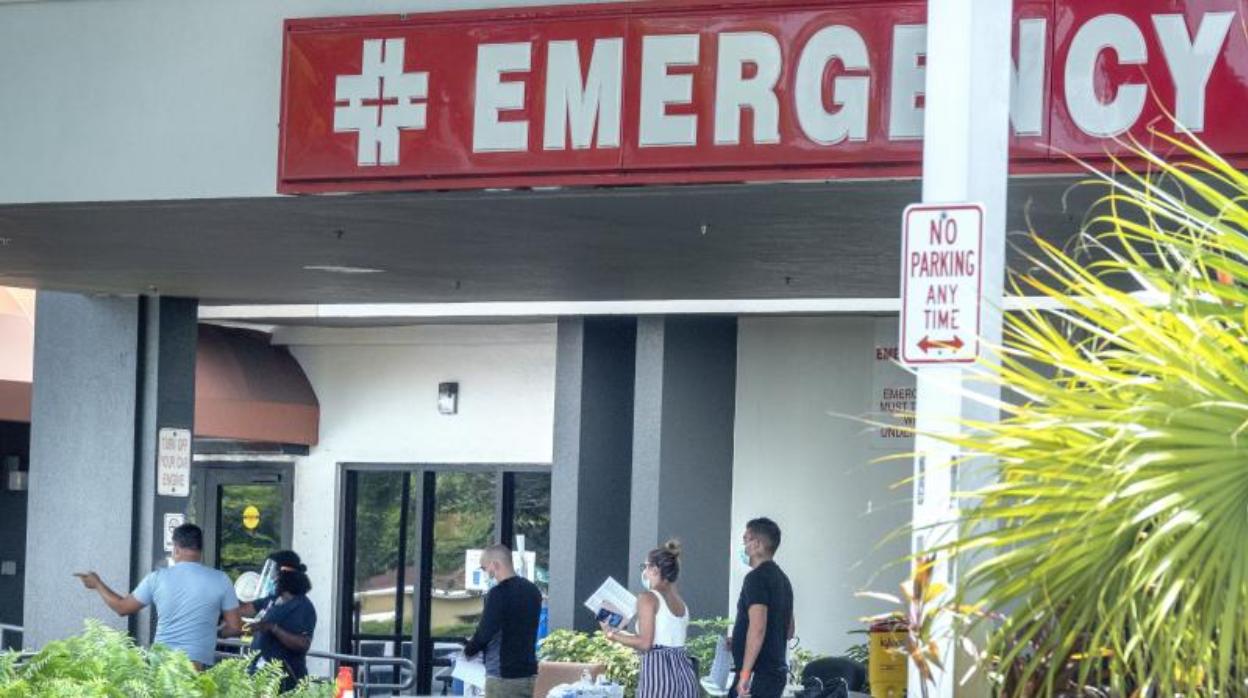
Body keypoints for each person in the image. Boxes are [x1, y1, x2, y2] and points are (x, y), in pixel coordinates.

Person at [75, 523, 242, 669]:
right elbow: (235, 627)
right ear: (199, 550)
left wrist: (97, 584)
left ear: (176, 549)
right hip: (198, 663)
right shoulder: (221, 580)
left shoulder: (157, 578)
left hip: (162, 663)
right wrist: (216, 632)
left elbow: (122, 608)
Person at [601, 540, 699, 698]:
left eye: (645, 566)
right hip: (685, 674)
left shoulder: (647, 598)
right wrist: (620, 634)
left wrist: (612, 635)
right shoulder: (680, 602)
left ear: (655, 569)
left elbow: (645, 644)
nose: (644, 572)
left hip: (659, 675)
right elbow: (660, 639)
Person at [464, 544, 543, 698]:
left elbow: (485, 633)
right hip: (528, 673)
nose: (485, 572)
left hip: (502, 675)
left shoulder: (497, 594)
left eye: (484, 568)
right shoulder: (533, 591)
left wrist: (468, 650)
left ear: (494, 565)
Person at [729, 518, 794, 698]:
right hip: (775, 672)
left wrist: (745, 675)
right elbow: (788, 631)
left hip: (757, 674)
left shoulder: (755, 578)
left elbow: (758, 628)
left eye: (745, 539)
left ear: (757, 544)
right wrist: (738, 639)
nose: (743, 545)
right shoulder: (783, 579)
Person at [248, 565, 317, 692]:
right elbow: (248, 609)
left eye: (278, 579)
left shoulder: (303, 607)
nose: (274, 581)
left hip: (284, 677)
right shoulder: (273, 600)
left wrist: (273, 628)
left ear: (288, 582)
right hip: (259, 671)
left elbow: (303, 643)